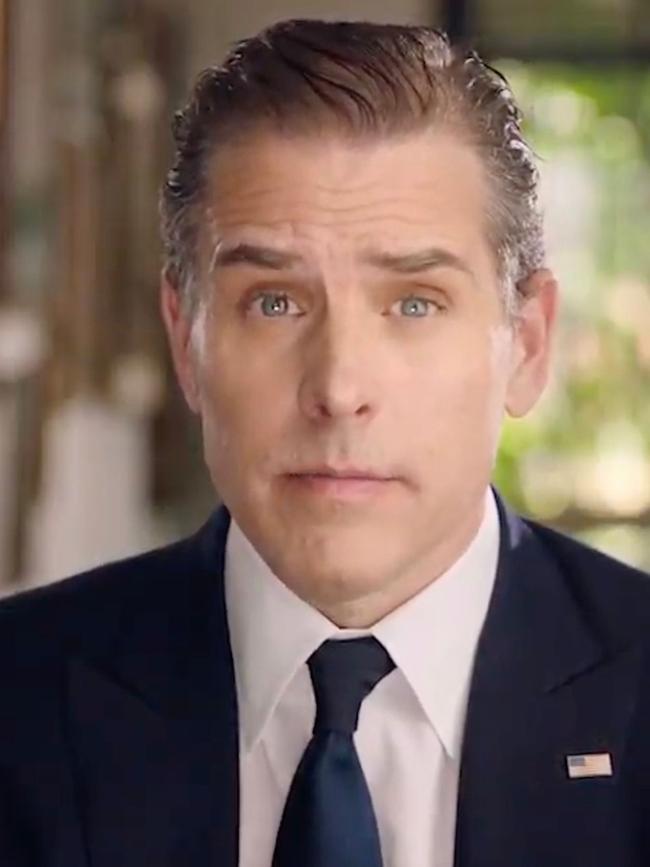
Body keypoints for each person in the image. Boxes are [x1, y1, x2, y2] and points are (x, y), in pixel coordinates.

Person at [1, 18, 649, 867]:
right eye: (275, 302)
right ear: (185, 339)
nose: (340, 389)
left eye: (415, 303)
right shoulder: (18, 698)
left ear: (526, 344)